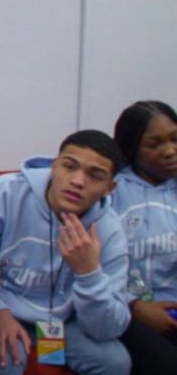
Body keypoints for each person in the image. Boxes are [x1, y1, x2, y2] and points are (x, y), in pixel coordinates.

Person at [0, 130, 131, 375]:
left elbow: (108, 328)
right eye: (69, 167)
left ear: (109, 188)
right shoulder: (6, 194)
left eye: (95, 176)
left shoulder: (109, 230)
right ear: (54, 166)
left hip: (66, 322)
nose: (78, 181)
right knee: (6, 358)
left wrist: (88, 273)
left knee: (115, 361)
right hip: (5, 310)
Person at [110, 100, 177, 372]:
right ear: (131, 149)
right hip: (127, 310)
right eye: (155, 144)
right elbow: (88, 264)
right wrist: (133, 306)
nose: (170, 151)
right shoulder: (109, 190)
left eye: (175, 139)